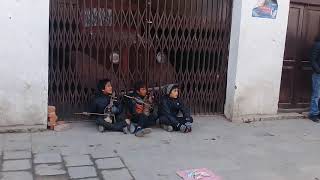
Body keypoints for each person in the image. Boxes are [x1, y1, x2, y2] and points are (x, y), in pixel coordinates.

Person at [309, 36, 320, 123]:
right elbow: (312, 59)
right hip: (318, 75)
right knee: (316, 95)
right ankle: (313, 114)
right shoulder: (317, 45)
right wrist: (318, 70)